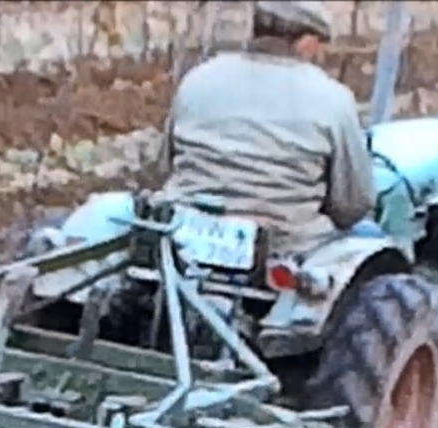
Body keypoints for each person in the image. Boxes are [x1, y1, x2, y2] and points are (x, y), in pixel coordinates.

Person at [159, 0, 375, 256]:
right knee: (371, 235)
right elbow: (352, 205)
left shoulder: (197, 79)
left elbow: (166, 165)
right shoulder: (334, 99)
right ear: (306, 41)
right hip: (286, 245)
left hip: (184, 233)